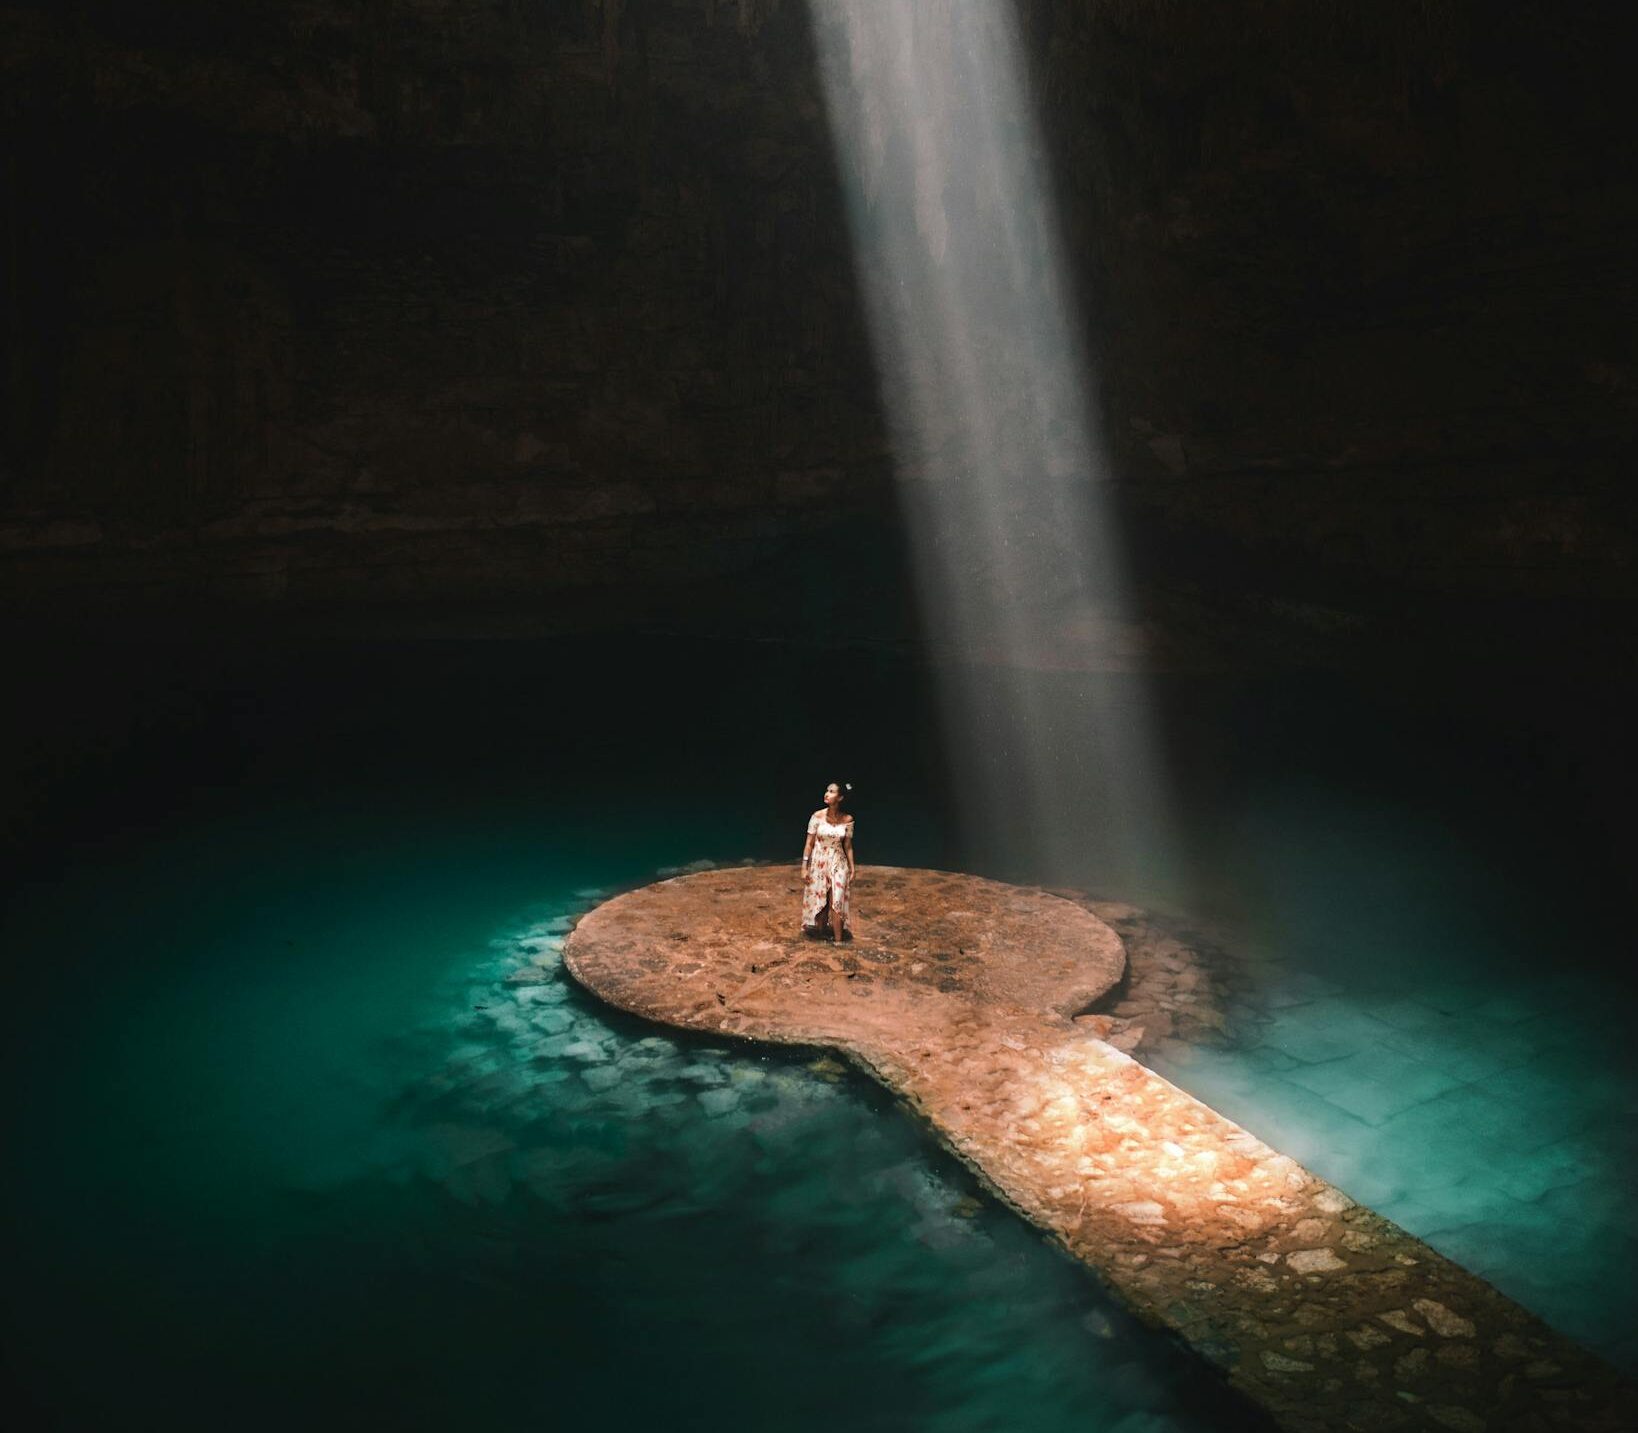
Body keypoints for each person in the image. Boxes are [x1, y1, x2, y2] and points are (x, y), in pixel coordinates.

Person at [801, 781, 855, 941]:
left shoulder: (847, 819)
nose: (827, 794)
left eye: (831, 792)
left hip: (838, 862)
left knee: (836, 900)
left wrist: (853, 868)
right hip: (819, 862)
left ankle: (838, 942)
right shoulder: (817, 816)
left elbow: (848, 846)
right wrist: (804, 866)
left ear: (840, 797)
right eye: (827, 790)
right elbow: (809, 844)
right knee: (821, 903)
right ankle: (821, 935)